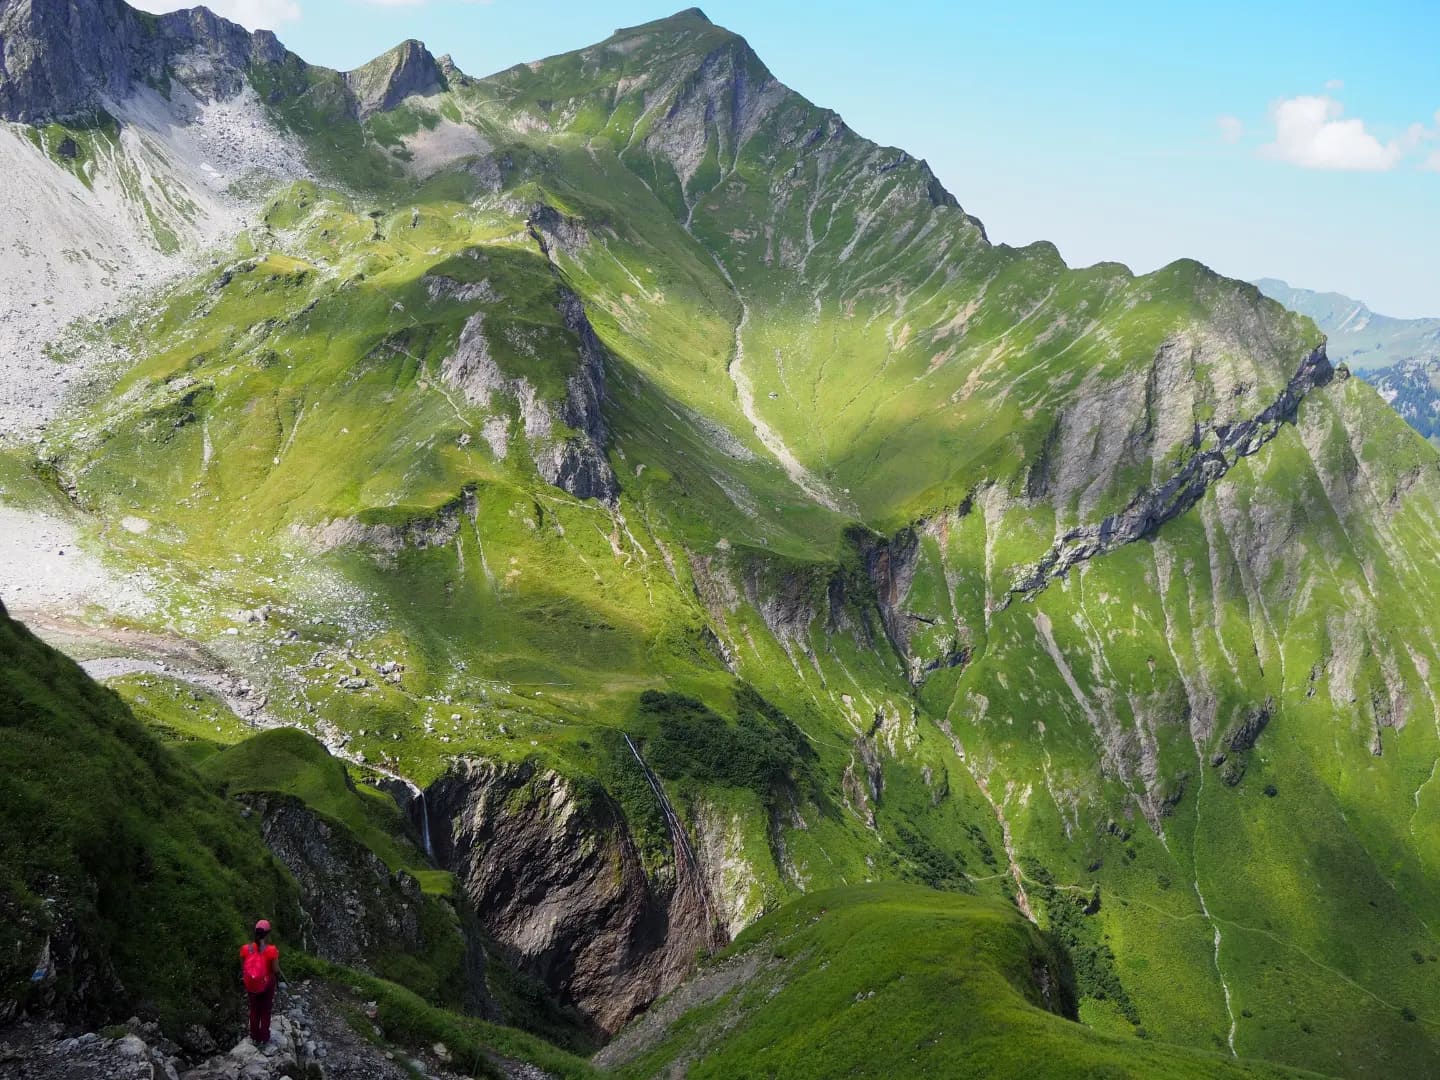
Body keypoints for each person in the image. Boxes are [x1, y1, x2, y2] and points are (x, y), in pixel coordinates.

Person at [240, 918, 282, 1045]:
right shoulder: (272, 950)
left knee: (254, 1009)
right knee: (265, 1009)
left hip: (251, 983)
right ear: (267, 934)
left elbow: (244, 967)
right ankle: (264, 1036)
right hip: (266, 985)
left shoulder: (245, 949)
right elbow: (275, 969)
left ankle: (253, 1035)